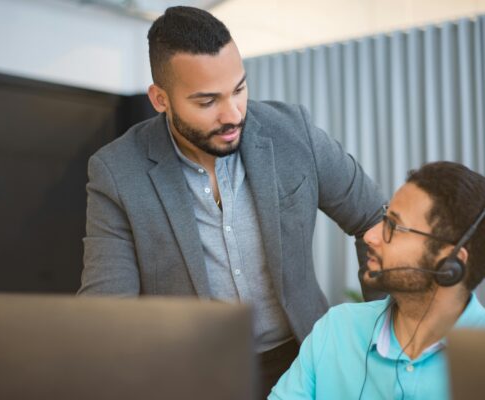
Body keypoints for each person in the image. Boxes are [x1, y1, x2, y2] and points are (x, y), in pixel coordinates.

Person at [78, 6, 384, 397]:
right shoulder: (118, 172)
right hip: (193, 375)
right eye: (207, 102)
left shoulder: (294, 132)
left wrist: (384, 338)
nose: (233, 114)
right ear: (160, 99)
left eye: (239, 89)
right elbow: (107, 309)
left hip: (305, 359)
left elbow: (375, 220)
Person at [269, 161, 485, 400]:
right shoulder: (336, 330)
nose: (370, 236)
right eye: (384, 217)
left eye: (393, 226)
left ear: (449, 263)